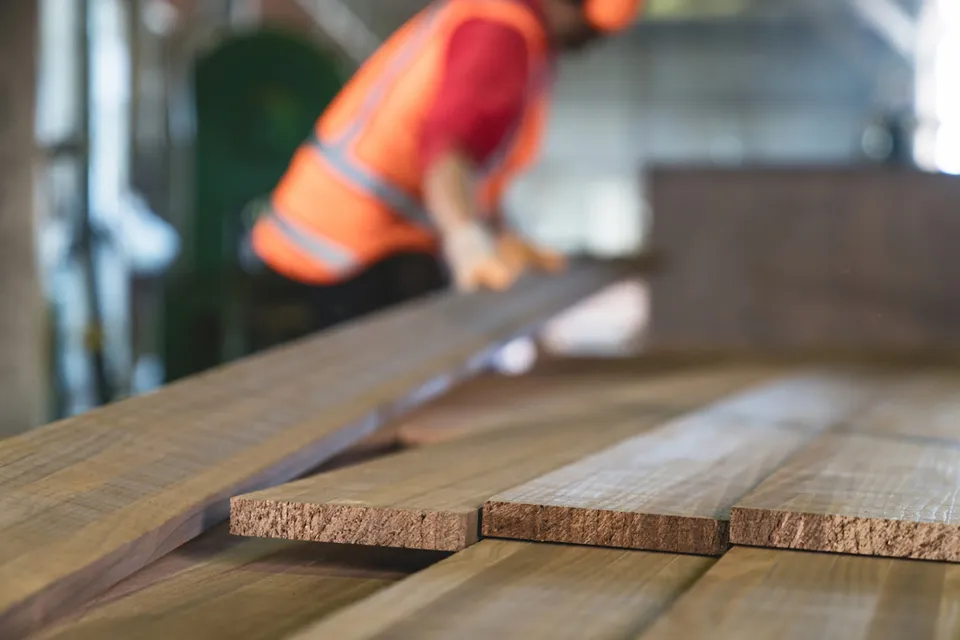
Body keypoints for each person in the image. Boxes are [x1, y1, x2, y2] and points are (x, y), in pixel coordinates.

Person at [251, 0, 641, 331]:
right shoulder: (500, 33)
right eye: (585, 34)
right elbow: (446, 152)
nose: (582, 47)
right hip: (345, 252)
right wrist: (469, 244)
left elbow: (471, 167)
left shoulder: (502, 22)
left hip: (355, 244)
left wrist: (501, 236)